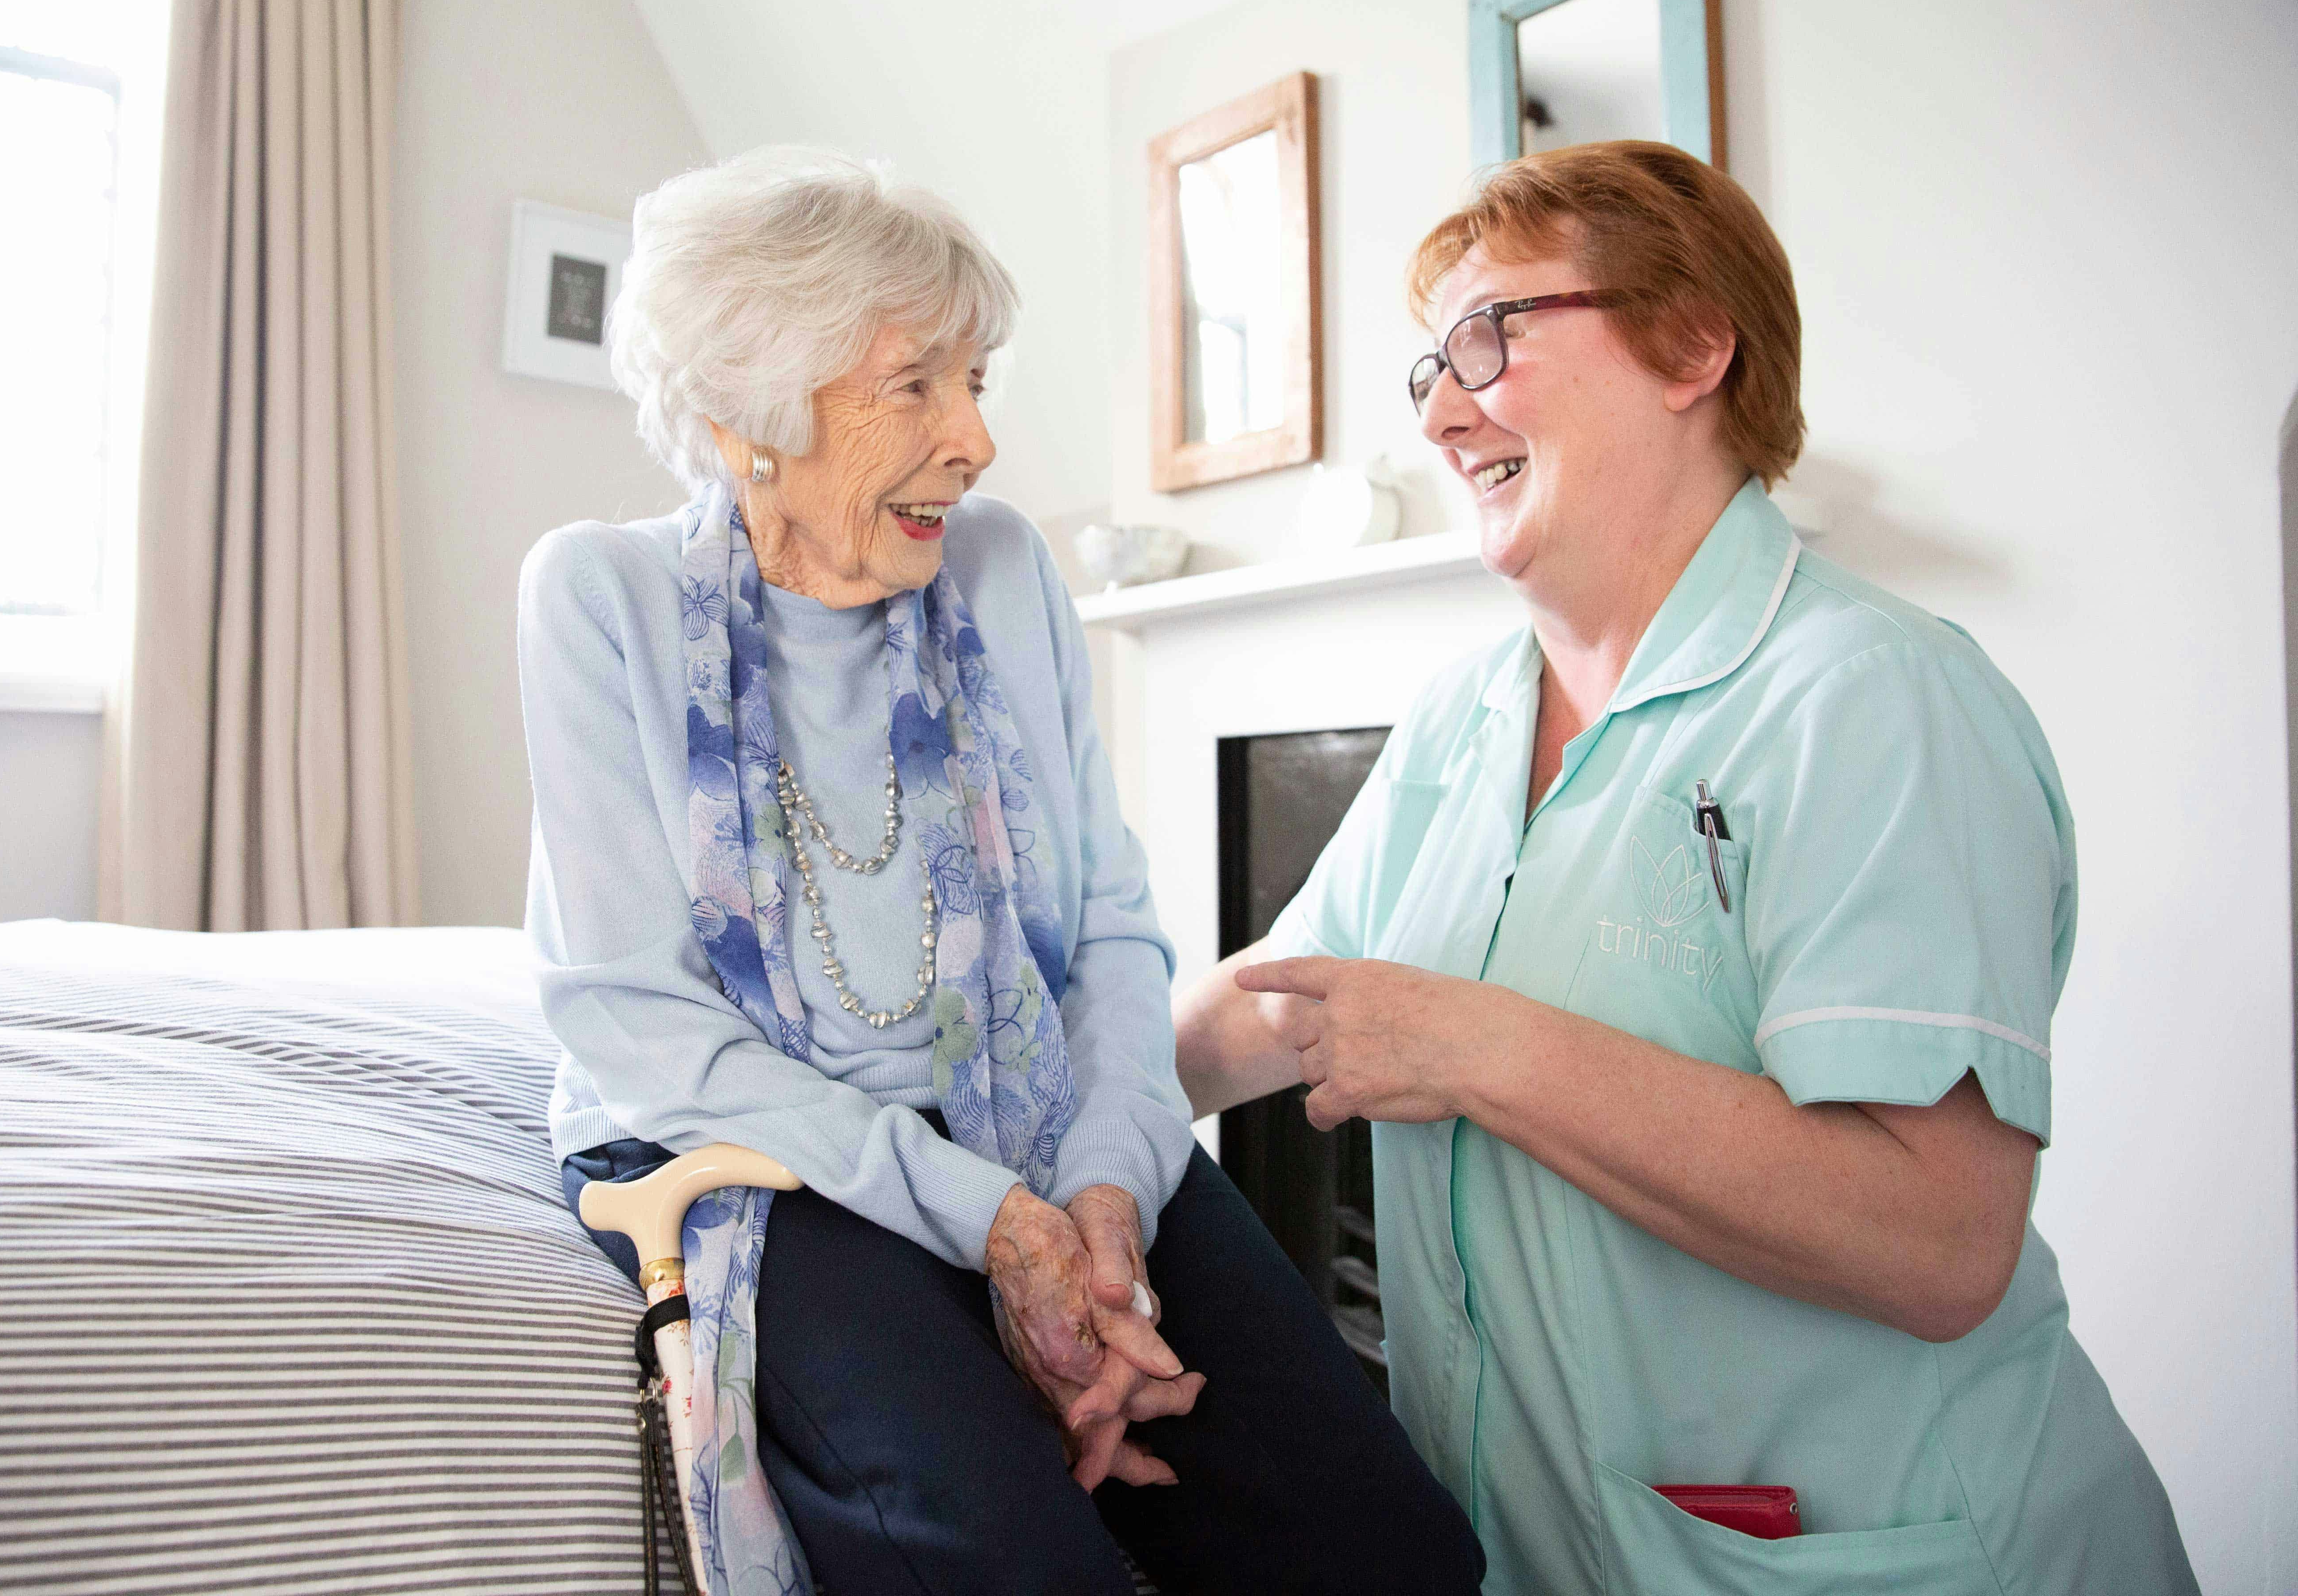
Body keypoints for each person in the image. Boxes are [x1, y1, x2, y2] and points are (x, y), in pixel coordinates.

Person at [1173, 140, 2196, 1594]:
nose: (1446, 413)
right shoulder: (1462, 718)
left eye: (1491, 338)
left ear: (1693, 345)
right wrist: (1033, 1160)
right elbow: (1283, 1002)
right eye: (1431, 370)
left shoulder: (1873, 698)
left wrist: (1478, 1047)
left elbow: (1941, 1240)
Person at [518, 146, 1480, 1596]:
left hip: (1023, 1112)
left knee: (1390, 1550)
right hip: (772, 1157)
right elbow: (635, 1022)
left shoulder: (1001, 568)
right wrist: (995, 1228)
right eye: (917, 386)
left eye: (981, 383)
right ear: (751, 417)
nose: (974, 441)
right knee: (1009, 1559)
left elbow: (1104, 931)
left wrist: (1101, 1202)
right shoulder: (602, 597)